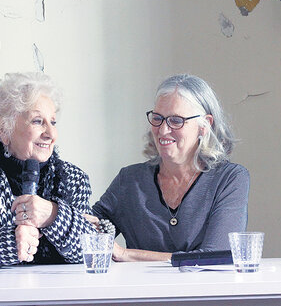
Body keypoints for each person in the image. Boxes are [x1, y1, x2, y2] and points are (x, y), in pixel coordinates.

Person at [91, 74, 249, 261]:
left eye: (176, 120)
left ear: (204, 125)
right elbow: (86, 231)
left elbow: (216, 258)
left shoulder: (229, 179)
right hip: (141, 291)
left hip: (202, 291)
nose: (163, 130)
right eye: (158, 118)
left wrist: (126, 254)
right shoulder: (130, 180)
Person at [0, 72, 98, 269]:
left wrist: (54, 216)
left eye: (53, 122)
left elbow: (93, 249)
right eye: (38, 121)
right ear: (5, 130)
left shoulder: (74, 179)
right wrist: (6, 242)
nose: (50, 134)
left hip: (57, 297)